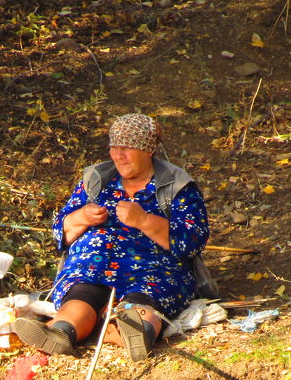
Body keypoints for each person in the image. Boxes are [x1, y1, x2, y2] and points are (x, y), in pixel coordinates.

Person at [14, 112, 210, 360]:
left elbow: (194, 240)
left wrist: (145, 221)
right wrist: (81, 217)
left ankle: (136, 333)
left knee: (141, 304)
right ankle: (61, 334)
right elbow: (59, 232)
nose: (118, 155)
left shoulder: (176, 185)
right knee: (82, 296)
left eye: (127, 148)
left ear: (148, 150)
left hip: (154, 268)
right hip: (91, 265)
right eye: (114, 147)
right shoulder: (96, 180)